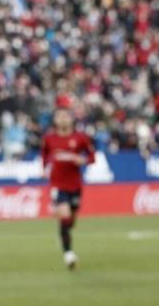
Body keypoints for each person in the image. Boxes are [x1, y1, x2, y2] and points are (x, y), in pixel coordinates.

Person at [41, 108, 95, 270]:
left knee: (71, 220)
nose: (63, 119)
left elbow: (92, 157)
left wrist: (83, 160)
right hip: (58, 184)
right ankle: (68, 254)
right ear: (55, 120)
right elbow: (44, 154)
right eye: (60, 116)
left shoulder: (80, 138)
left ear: (71, 119)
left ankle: (64, 234)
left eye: (66, 116)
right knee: (64, 215)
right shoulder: (49, 138)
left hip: (75, 185)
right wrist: (44, 167)